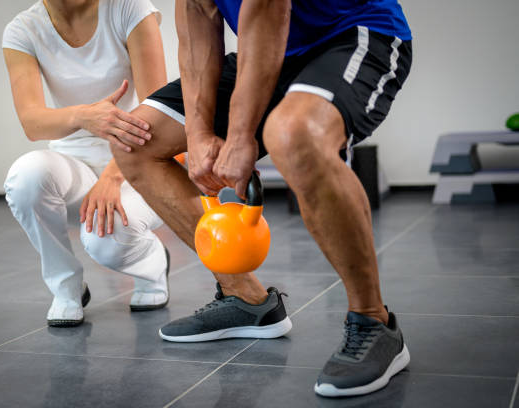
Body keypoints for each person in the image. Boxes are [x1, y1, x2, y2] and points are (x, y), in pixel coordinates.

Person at [108, 0, 413, 397]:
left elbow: (270, 10)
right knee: (135, 140)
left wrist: (239, 136)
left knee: (294, 134)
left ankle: (374, 322)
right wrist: (199, 136)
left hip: (351, 33)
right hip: (271, 51)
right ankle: (245, 300)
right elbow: (198, 19)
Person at [2, 0, 169, 327]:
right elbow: (33, 124)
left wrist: (113, 176)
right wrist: (83, 115)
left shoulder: (128, 9)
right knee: (26, 176)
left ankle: (152, 263)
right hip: (72, 160)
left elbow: (158, 111)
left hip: (138, 157)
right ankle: (66, 286)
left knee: (106, 242)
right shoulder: (23, 29)